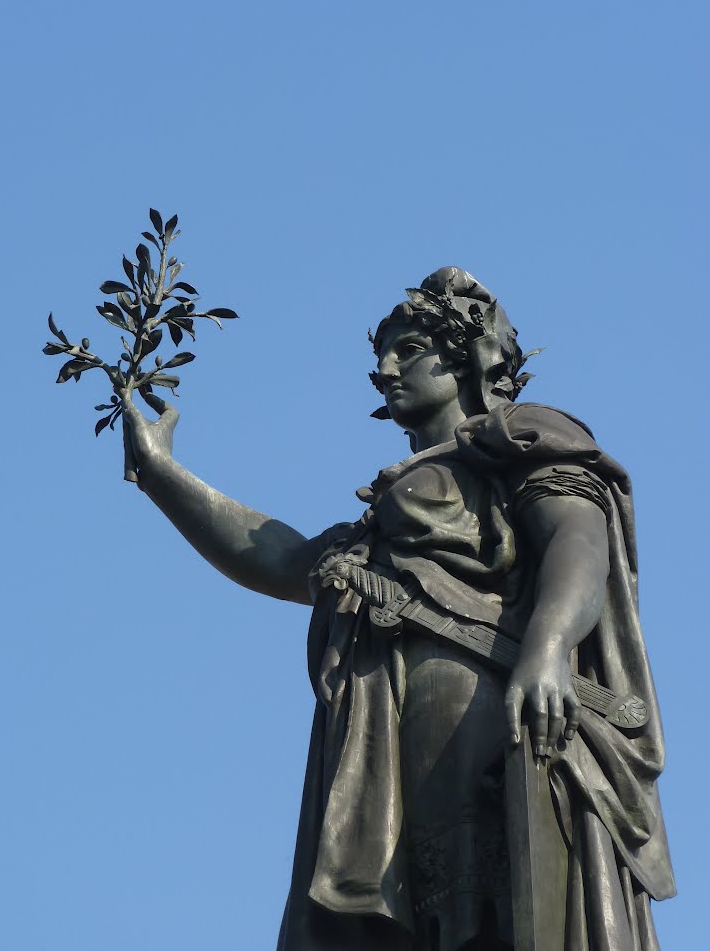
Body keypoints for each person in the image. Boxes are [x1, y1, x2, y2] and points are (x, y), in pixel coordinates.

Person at [122, 268, 674, 950]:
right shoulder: (371, 532)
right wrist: (160, 473)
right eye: (380, 356)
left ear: (468, 356)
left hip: (499, 730)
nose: (383, 371)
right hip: (386, 760)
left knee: (511, 916)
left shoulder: (523, 437)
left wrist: (550, 645)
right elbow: (281, 559)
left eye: (406, 349)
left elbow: (578, 538)